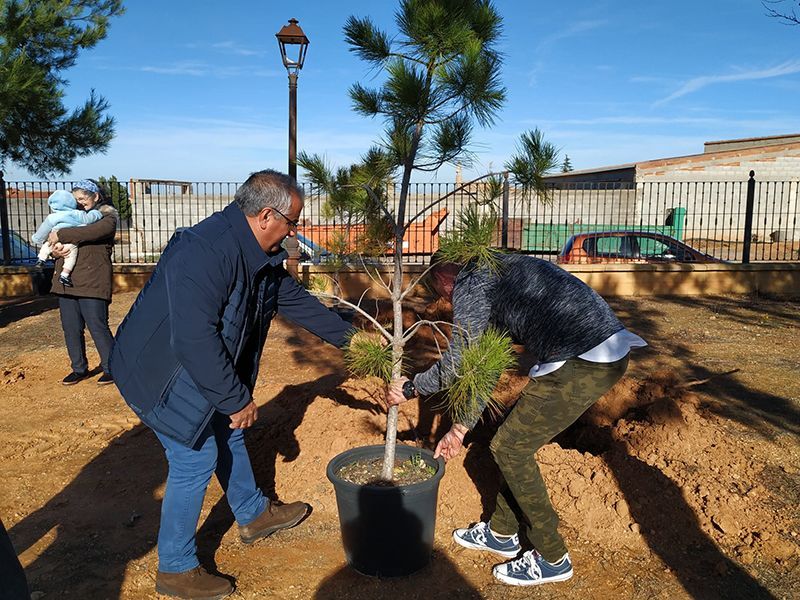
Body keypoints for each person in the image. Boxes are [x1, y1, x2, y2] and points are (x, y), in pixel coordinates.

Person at [110, 170, 355, 600]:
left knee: (230, 432)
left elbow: (294, 301)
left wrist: (355, 342)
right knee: (195, 459)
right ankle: (176, 568)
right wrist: (234, 398)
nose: (293, 232)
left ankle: (253, 513)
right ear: (265, 215)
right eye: (292, 223)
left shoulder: (258, 255)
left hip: (192, 369)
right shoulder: (204, 252)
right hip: (160, 376)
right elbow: (192, 338)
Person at [386, 253, 646, 587]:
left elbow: (456, 363)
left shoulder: (470, 284)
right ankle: (502, 533)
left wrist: (410, 387)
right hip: (590, 351)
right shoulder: (496, 275)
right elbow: (487, 364)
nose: (447, 301)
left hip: (586, 359)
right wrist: (460, 428)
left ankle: (552, 557)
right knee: (511, 440)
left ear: (445, 278)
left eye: (442, 293)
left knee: (510, 448)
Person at [47, 179, 118, 385]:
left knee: (97, 326)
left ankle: (111, 367)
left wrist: (59, 233)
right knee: (71, 328)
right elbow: (53, 243)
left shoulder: (107, 216)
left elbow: (91, 232)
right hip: (66, 281)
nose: (79, 202)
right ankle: (79, 369)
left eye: (83, 198)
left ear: (95, 197)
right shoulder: (70, 217)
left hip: (93, 281)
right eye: (76, 199)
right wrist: (54, 249)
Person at [31, 189, 105, 286]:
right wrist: (97, 213)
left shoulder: (52, 217)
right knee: (71, 256)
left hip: (55, 241)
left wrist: (37, 239)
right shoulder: (77, 214)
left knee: (46, 245)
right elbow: (89, 218)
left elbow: (43, 230)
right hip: (71, 242)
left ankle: (41, 259)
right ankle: (65, 275)